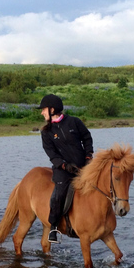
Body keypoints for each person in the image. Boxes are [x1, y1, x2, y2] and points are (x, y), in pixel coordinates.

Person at [37, 94, 93, 242]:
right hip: (63, 171)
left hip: (83, 167)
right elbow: (52, 154)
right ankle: (54, 228)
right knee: (57, 196)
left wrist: (88, 157)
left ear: (52, 109)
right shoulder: (46, 132)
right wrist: (64, 165)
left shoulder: (74, 122)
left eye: (44, 109)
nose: (42, 112)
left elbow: (87, 138)